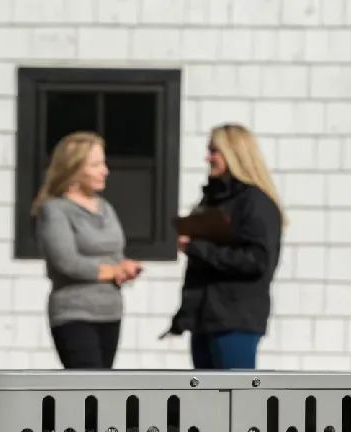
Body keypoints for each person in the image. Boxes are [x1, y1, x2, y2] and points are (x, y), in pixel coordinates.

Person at [164, 123, 284, 369]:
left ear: (234, 153)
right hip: (205, 318)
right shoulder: (213, 199)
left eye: (214, 151)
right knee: (206, 400)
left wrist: (198, 248)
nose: (208, 158)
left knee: (237, 399)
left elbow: (257, 260)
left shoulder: (256, 202)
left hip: (236, 318)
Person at [32, 132, 142, 369]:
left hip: (110, 312)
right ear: (73, 168)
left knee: (102, 390)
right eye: (96, 164)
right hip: (74, 314)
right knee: (86, 392)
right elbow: (66, 262)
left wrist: (125, 268)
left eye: (103, 163)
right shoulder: (55, 210)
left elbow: (115, 253)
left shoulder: (105, 207)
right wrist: (113, 271)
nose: (105, 171)